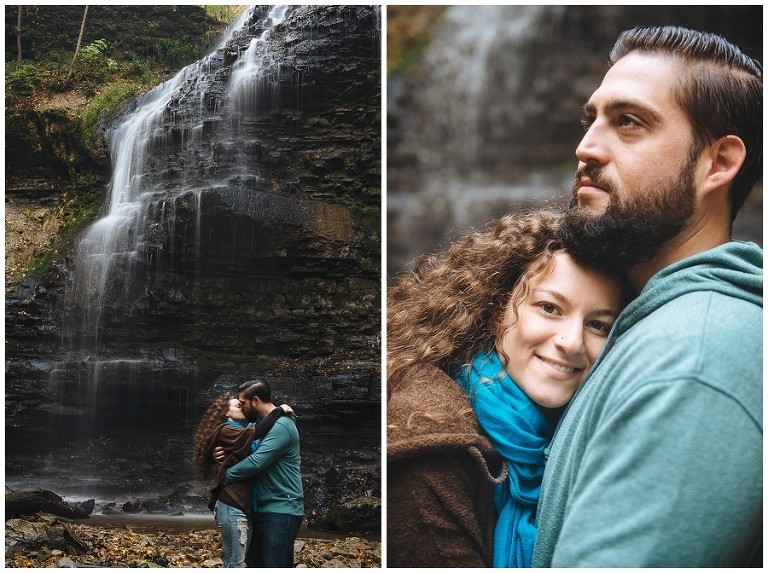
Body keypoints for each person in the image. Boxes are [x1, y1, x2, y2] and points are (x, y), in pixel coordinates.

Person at [531, 26, 762, 567]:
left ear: (719, 164)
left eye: (628, 122)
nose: (585, 148)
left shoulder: (694, 359)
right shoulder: (650, 327)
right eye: (592, 119)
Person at [387, 208, 626, 567]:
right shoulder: (433, 439)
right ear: (497, 306)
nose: (572, 342)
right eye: (549, 308)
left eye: (599, 325)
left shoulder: (591, 431)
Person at [192, 395, 292, 567]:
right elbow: (257, 432)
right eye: (238, 405)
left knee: (237, 563)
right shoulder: (228, 430)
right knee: (234, 564)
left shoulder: (238, 430)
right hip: (232, 504)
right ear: (226, 412)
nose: (242, 408)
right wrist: (278, 411)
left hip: (242, 505)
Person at [217, 379, 304, 568]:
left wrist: (226, 475)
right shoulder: (255, 425)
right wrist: (219, 456)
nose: (241, 407)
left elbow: (256, 462)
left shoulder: (281, 425)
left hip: (281, 509)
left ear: (255, 401)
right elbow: (240, 448)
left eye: (243, 403)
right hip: (259, 508)